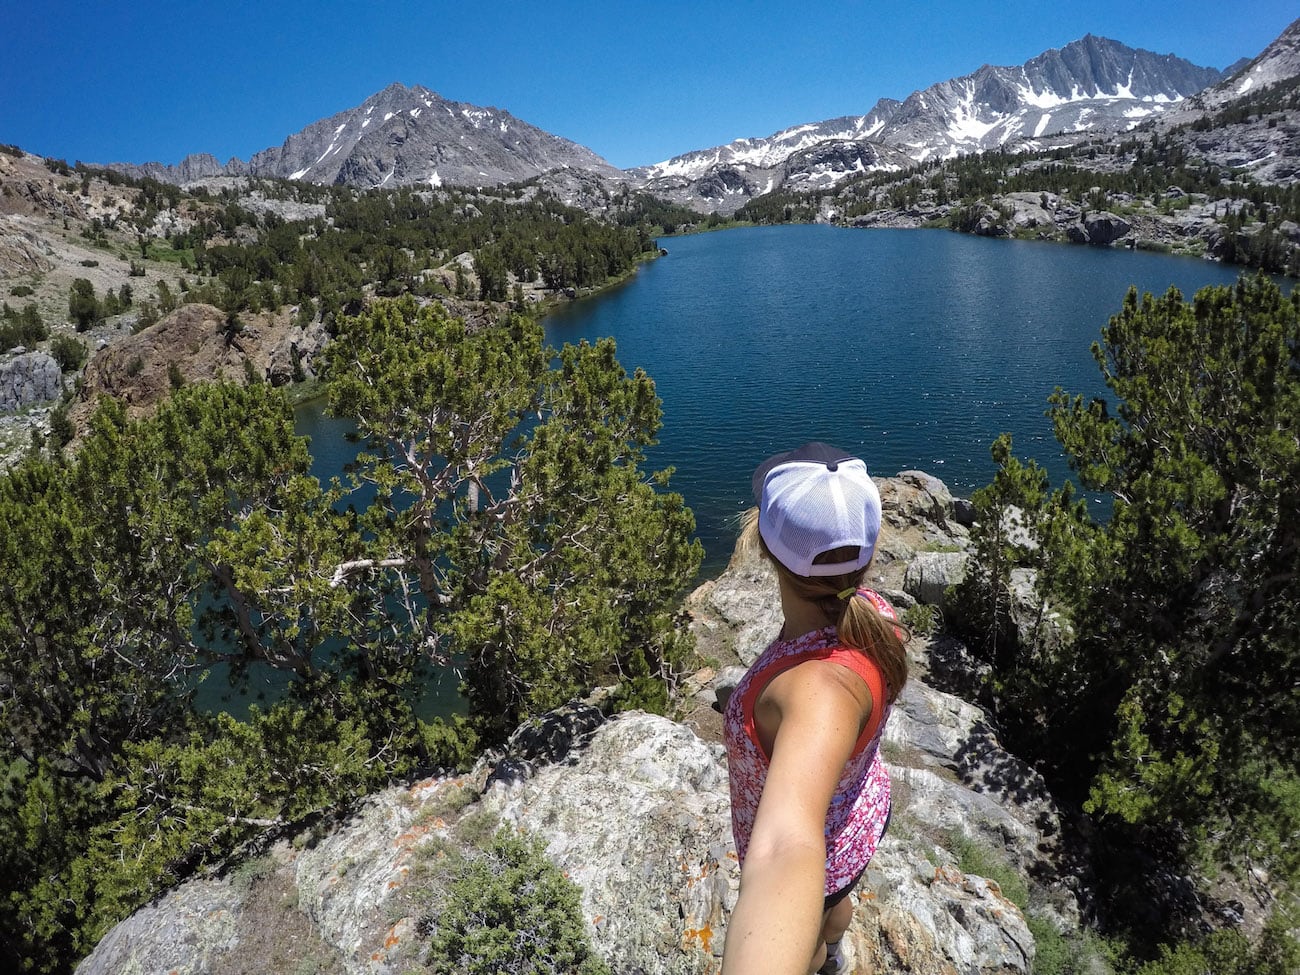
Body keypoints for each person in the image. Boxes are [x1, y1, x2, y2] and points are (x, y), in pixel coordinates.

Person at [721, 442, 908, 975]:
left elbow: (785, 847)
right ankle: (833, 948)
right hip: (857, 819)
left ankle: (819, 961)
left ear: (763, 547)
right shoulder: (874, 614)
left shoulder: (817, 692)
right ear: (867, 555)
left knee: (813, 919)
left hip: (820, 845)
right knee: (831, 902)